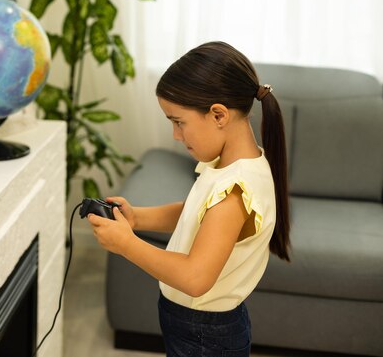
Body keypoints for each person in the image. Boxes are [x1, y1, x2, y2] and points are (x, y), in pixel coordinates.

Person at [87, 41, 291, 357]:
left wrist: (127, 244)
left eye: (178, 122)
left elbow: (195, 278)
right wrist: (137, 218)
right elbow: (196, 214)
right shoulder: (230, 167)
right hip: (194, 325)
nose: (176, 135)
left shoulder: (236, 190)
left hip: (203, 333)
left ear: (219, 115)